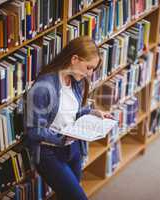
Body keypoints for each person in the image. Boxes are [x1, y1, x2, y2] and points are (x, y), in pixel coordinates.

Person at [24, 36, 113, 200]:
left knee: (68, 195)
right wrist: (62, 138)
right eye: (89, 67)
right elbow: (33, 131)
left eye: (93, 69)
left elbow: (71, 113)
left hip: (73, 147)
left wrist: (93, 113)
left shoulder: (76, 81)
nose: (90, 73)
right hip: (48, 152)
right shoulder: (43, 88)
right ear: (74, 59)